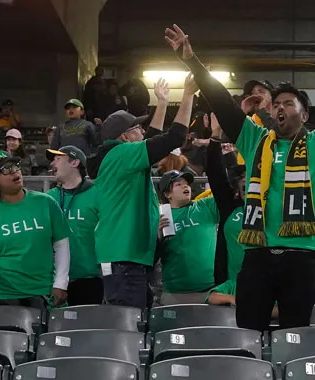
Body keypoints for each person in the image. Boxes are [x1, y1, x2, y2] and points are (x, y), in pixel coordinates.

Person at [167, 15, 315, 330]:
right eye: (276, 105)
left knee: (295, 336)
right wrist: (193, 62)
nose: (279, 108)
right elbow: (222, 101)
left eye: (288, 103)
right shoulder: (254, 140)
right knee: (248, 332)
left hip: (302, 258)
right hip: (257, 255)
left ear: (305, 114)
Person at [92, 71, 195, 309]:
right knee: (129, 328)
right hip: (125, 259)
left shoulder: (117, 156)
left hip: (123, 258)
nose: (142, 131)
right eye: (137, 128)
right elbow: (174, 137)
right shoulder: (122, 154)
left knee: (131, 324)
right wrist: (188, 95)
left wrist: (162, 103)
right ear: (125, 136)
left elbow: (153, 140)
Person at [0, 151, 70, 308]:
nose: (15, 171)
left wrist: (61, 283)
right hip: (1, 297)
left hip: (44, 292)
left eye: (15, 166)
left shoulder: (46, 203)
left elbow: (62, 244)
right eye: (6, 169)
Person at [156, 170, 224, 304]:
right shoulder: (160, 218)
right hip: (176, 293)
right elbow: (151, 257)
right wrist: (157, 236)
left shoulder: (205, 206)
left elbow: (225, 191)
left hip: (212, 289)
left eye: (186, 184)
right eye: (178, 184)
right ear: (167, 194)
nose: (185, 186)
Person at [47, 145, 103, 305]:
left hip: (90, 278)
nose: (53, 163)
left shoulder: (98, 194)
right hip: (53, 280)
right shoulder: (48, 198)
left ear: (75, 162)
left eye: (58, 159)